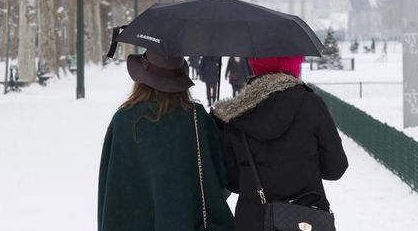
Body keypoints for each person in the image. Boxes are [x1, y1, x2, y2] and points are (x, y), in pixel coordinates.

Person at [98, 51, 233, 231]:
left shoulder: (123, 121)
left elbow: (110, 192)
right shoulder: (196, 118)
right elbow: (221, 183)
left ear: (142, 79)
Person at [212, 56, 348, 231]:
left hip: (253, 221)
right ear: (294, 65)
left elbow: (234, 183)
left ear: (254, 65)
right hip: (305, 220)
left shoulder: (235, 115)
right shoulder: (311, 105)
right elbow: (335, 169)